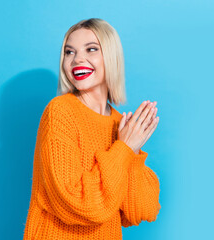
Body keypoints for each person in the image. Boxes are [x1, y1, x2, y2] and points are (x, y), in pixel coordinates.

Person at [22, 18, 161, 240]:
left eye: (91, 49)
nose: (77, 59)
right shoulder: (60, 111)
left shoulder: (120, 125)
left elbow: (141, 210)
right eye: (69, 52)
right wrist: (123, 148)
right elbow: (80, 203)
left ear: (111, 57)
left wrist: (132, 152)